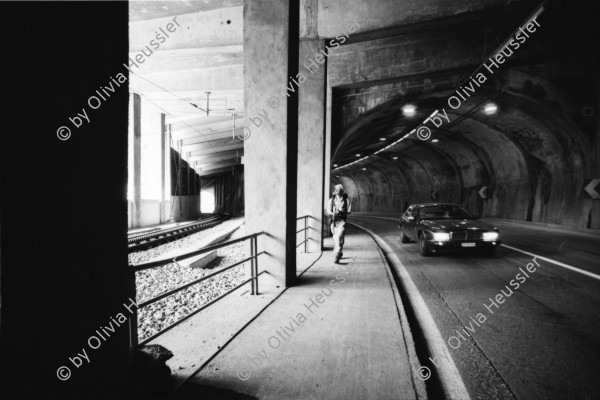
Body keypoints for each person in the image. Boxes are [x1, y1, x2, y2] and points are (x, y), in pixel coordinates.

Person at [327, 184, 352, 263]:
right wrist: (333, 213)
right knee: (337, 239)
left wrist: (342, 212)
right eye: (336, 189)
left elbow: (349, 211)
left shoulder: (346, 200)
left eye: (339, 189)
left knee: (339, 235)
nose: (338, 191)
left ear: (342, 191)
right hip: (334, 222)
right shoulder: (332, 200)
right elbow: (328, 210)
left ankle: (337, 253)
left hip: (342, 221)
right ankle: (339, 252)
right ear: (335, 191)